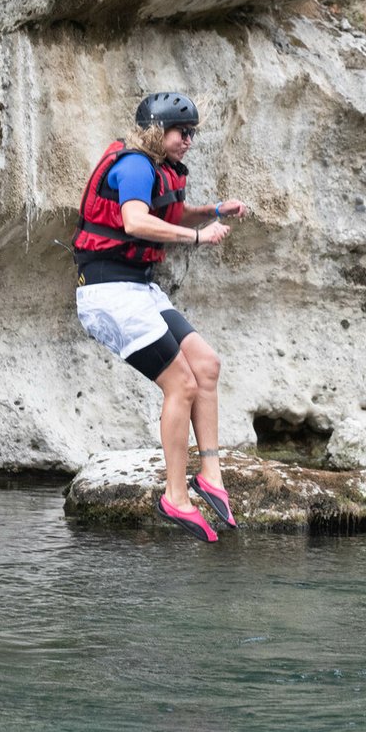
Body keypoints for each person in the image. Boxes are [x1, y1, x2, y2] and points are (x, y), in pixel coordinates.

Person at [73, 92, 248, 543]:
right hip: (108, 292)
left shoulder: (158, 170)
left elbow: (166, 209)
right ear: (156, 129)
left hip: (137, 288)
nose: (188, 140)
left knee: (205, 365)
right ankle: (176, 495)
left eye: (191, 133)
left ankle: (210, 475)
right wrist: (198, 235)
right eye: (181, 132)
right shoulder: (133, 164)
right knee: (181, 384)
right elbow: (135, 221)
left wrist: (213, 209)